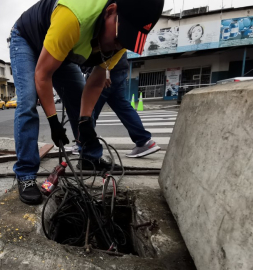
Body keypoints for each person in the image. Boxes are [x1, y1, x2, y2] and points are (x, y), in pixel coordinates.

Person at [10, 0, 164, 205]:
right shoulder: (73, 16)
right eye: (119, 36)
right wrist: (54, 122)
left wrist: (84, 120)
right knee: (28, 102)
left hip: (62, 51)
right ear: (110, 11)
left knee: (79, 101)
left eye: (124, 41)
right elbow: (42, 75)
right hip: (29, 41)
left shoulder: (121, 38)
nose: (119, 44)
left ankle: (90, 157)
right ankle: (26, 174)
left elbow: (96, 82)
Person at [83, 55, 161, 159]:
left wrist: (104, 72)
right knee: (122, 106)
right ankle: (144, 141)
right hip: (118, 69)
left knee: (89, 110)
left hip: (103, 70)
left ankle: (85, 145)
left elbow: (104, 47)